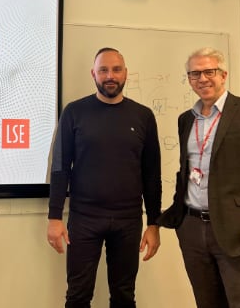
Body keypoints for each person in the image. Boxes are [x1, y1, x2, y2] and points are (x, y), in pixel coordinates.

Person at [157, 47, 240, 308]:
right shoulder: (186, 120)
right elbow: (186, 171)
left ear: (224, 74)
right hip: (193, 229)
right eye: (195, 74)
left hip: (238, 232)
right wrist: (180, 220)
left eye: (209, 71)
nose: (202, 79)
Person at [47, 47, 162, 308]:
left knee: (124, 296)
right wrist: (54, 216)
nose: (110, 75)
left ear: (125, 74)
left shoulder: (143, 116)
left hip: (128, 221)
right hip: (84, 218)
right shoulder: (74, 112)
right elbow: (59, 166)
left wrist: (154, 223)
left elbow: (152, 173)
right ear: (93, 74)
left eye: (116, 69)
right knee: (78, 295)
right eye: (103, 70)